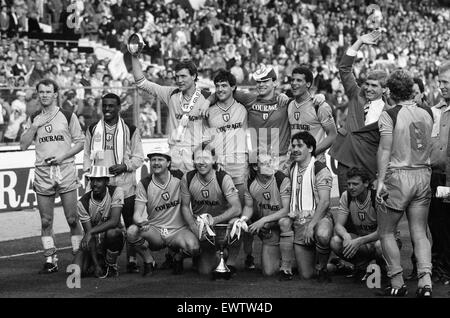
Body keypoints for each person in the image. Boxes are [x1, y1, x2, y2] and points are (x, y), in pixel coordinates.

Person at [376, 69, 434, 297]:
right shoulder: (427, 111)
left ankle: (397, 283)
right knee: (419, 232)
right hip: (423, 174)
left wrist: (381, 181)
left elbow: (385, 149)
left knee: (387, 232)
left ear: (390, 91)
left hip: (399, 176)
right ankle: (426, 281)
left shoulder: (389, 114)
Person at [20, 78, 84, 274]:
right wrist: (33, 126)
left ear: (56, 94)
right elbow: (22, 145)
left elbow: (81, 143)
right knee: (46, 220)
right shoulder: (33, 117)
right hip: (43, 173)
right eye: (42, 91)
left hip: (64, 170)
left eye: (49, 91)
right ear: (38, 94)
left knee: (72, 218)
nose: (45, 95)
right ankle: (50, 258)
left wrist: (62, 156)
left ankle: (78, 254)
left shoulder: (67, 115)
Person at [83, 93, 144, 274]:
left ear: (119, 107)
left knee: (131, 223)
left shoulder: (131, 130)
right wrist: (88, 174)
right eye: (105, 106)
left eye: (111, 106)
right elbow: (86, 155)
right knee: (105, 226)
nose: (107, 109)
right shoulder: (93, 128)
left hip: (126, 185)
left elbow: (139, 157)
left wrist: (125, 165)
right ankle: (103, 257)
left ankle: (132, 259)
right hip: (103, 188)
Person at [329, 30, 389, 194]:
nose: (368, 88)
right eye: (367, 84)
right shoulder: (356, 96)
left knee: (367, 212)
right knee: (344, 206)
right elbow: (344, 68)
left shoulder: (389, 112)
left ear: (384, 89)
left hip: (368, 166)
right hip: (346, 160)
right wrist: (360, 41)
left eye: (374, 86)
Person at [127, 144, 200, 275]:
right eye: (153, 160)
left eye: (160, 159)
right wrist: (140, 221)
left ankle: (177, 257)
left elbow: (198, 176)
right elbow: (137, 213)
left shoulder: (180, 177)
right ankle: (149, 261)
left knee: (194, 248)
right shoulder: (144, 183)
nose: (156, 163)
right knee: (132, 231)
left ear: (168, 162)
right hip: (156, 231)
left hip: (179, 231)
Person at [207, 69, 255, 269]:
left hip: (239, 167)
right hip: (218, 169)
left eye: (225, 85)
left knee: (239, 213)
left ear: (233, 87)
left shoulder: (244, 107)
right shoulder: (208, 111)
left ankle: (237, 258)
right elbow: (206, 139)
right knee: (220, 212)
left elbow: (260, 95)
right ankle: (220, 253)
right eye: (217, 86)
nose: (220, 89)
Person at [132, 54, 211, 173]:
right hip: (175, 155)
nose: (179, 80)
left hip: (197, 156)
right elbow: (141, 82)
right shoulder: (171, 94)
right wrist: (134, 56)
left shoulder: (208, 98)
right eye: (177, 77)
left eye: (183, 76)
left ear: (194, 76)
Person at [180, 141, 242, 275]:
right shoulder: (188, 178)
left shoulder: (223, 178)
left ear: (214, 159)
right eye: (198, 158)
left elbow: (236, 208)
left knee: (238, 223)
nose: (201, 162)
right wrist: (193, 226)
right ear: (193, 160)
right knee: (204, 271)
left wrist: (214, 220)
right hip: (201, 228)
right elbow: (184, 206)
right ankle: (206, 253)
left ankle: (230, 262)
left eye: (206, 158)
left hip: (221, 226)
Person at [237, 153, 293, 279]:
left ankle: (286, 266)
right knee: (268, 272)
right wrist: (243, 220)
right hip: (270, 227)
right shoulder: (250, 182)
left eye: (270, 162)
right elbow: (249, 207)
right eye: (264, 163)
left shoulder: (281, 179)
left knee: (284, 222)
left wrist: (263, 220)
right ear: (256, 167)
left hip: (288, 224)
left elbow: (286, 210)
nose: (270, 165)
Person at [289, 131, 333, 282]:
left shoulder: (320, 169)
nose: (295, 149)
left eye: (300, 145)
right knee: (306, 275)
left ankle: (324, 268)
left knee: (322, 234)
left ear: (310, 148)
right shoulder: (292, 168)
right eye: (293, 145)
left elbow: (325, 202)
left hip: (318, 218)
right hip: (299, 222)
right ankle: (335, 265)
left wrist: (311, 225)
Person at [330, 167, 384, 282]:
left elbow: (383, 232)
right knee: (336, 241)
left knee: (380, 246)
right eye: (349, 184)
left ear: (366, 183)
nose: (350, 187)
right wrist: (346, 236)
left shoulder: (377, 197)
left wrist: (359, 241)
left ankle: (384, 269)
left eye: (355, 184)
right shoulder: (347, 196)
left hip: (383, 240)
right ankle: (362, 267)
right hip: (363, 242)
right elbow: (338, 225)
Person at [73, 166, 125, 278]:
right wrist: (96, 265)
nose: (94, 184)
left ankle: (111, 265)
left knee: (113, 233)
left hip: (110, 236)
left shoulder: (116, 191)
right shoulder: (82, 203)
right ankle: (98, 261)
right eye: (92, 180)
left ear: (107, 181)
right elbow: (89, 236)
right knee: (75, 272)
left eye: (99, 180)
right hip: (94, 241)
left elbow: (114, 221)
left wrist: (90, 232)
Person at [287, 65, 337, 163]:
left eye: (299, 80)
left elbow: (333, 135)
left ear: (308, 84)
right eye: (292, 80)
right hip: (294, 163)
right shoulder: (288, 104)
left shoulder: (320, 106)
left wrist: (311, 153)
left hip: (315, 163)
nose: (294, 83)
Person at [429, 61, 450, 285]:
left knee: (445, 224)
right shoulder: (435, 110)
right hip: (436, 179)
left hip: (448, 180)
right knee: (437, 224)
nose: (441, 86)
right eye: (440, 82)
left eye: (445, 82)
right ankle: (440, 268)